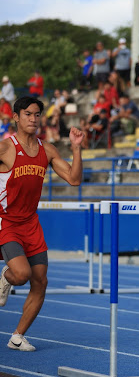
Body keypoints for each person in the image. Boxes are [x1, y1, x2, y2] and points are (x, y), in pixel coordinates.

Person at [0, 96, 84, 351]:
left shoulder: (47, 150)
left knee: (41, 280)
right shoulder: (6, 148)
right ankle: (5, 278)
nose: (33, 119)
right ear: (16, 117)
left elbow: (74, 179)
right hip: (7, 222)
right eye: (27, 114)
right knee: (21, 274)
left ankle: (17, 337)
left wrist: (77, 148)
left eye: (37, 115)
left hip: (31, 223)